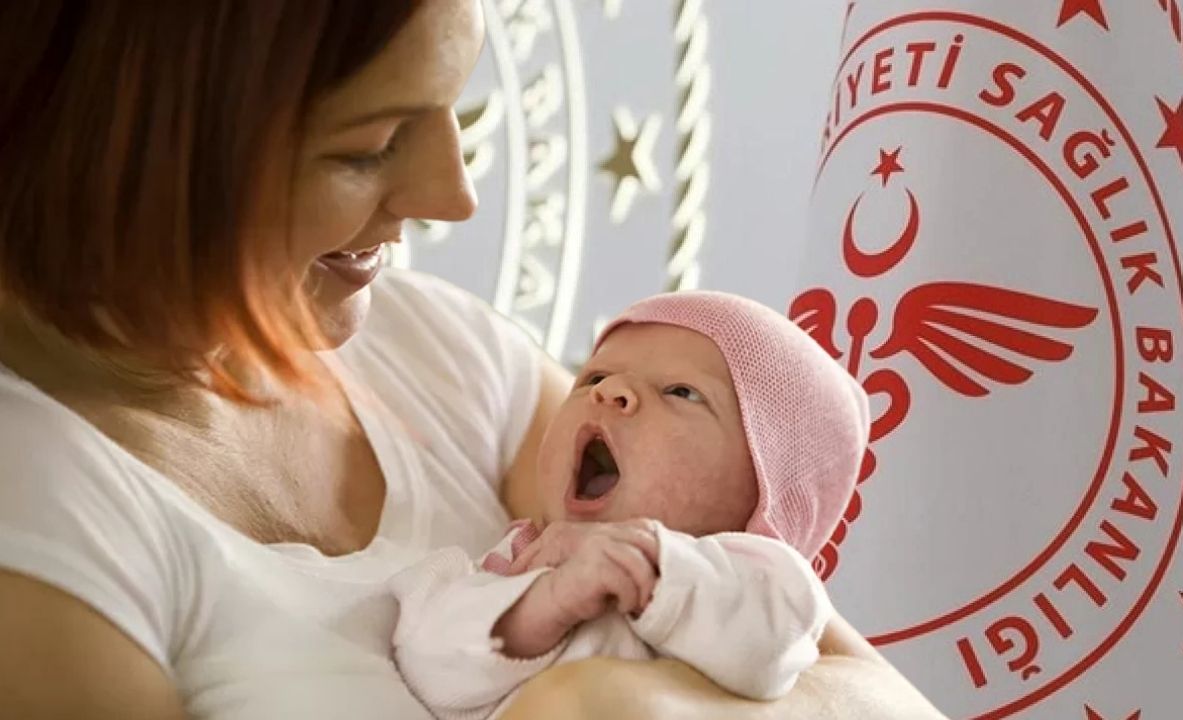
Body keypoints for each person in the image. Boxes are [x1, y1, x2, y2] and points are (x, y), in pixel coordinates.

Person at [0, 2, 947, 719]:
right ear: (131, 145)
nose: (452, 196)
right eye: (371, 147)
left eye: (454, 108)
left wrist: (611, 704)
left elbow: (882, 697)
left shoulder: (429, 349)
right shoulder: (45, 526)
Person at [392, 291, 871, 719]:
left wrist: (654, 566)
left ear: (765, 492)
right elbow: (428, 668)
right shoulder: (508, 568)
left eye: (681, 392)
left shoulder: (765, 582)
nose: (610, 390)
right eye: (594, 377)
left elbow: (768, 651)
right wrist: (538, 607)